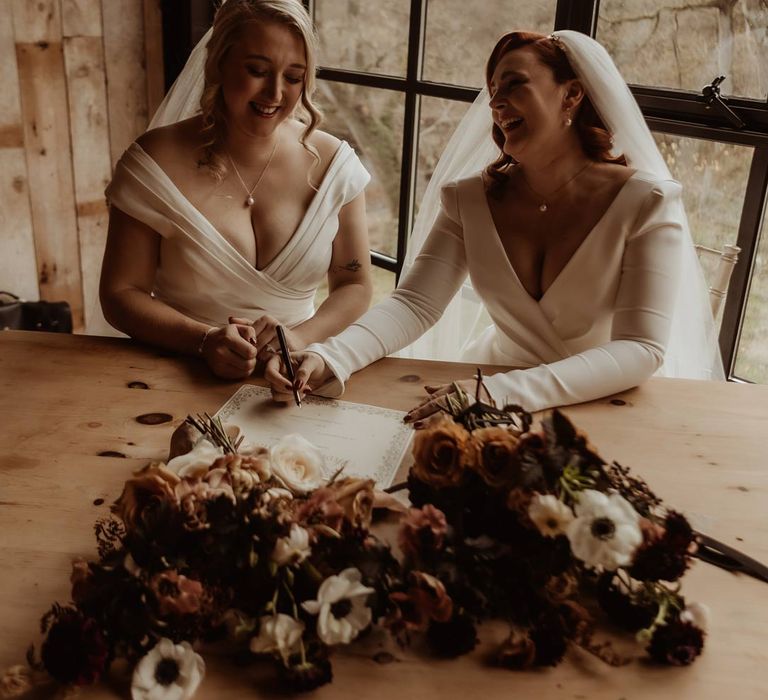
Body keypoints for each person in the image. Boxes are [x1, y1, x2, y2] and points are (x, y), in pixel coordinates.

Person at [265, 29, 723, 414]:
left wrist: (500, 394)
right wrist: (330, 356)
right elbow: (414, 305)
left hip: (598, 402)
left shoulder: (646, 203)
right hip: (481, 395)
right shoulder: (470, 200)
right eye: (494, 92)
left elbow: (641, 349)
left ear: (573, 94)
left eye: (514, 85)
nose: (497, 104)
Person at [99, 0, 373, 380]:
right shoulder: (154, 162)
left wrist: (297, 338)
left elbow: (354, 283)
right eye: (257, 70)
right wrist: (204, 340)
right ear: (218, 63)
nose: (275, 93)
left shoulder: (334, 166)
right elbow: (120, 294)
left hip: (296, 377)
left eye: (294, 77)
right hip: (176, 373)